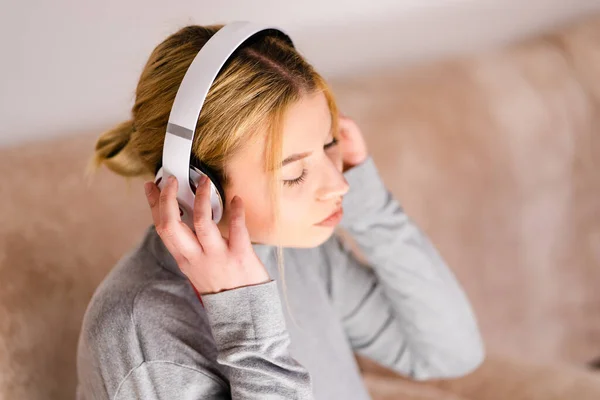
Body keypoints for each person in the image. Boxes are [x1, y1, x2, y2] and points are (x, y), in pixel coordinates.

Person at [76, 24, 485, 400]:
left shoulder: (297, 249)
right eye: (294, 174)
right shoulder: (140, 334)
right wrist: (242, 313)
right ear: (196, 188)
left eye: (329, 146)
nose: (339, 185)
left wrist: (372, 205)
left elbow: (448, 354)